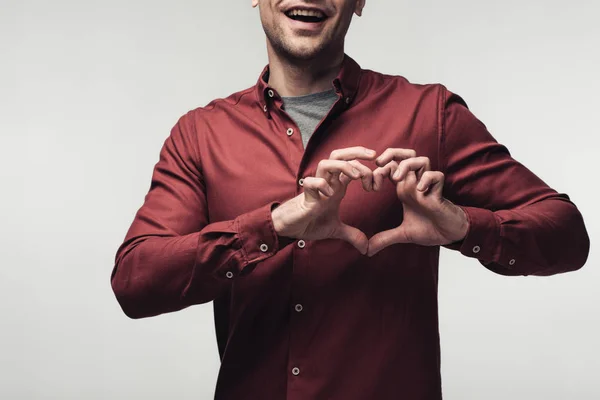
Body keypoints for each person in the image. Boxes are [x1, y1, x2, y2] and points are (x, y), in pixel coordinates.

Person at [110, 1, 590, 398]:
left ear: (360, 1)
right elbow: (136, 281)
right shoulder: (201, 134)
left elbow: (567, 234)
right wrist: (273, 225)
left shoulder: (430, 115)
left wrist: (464, 226)